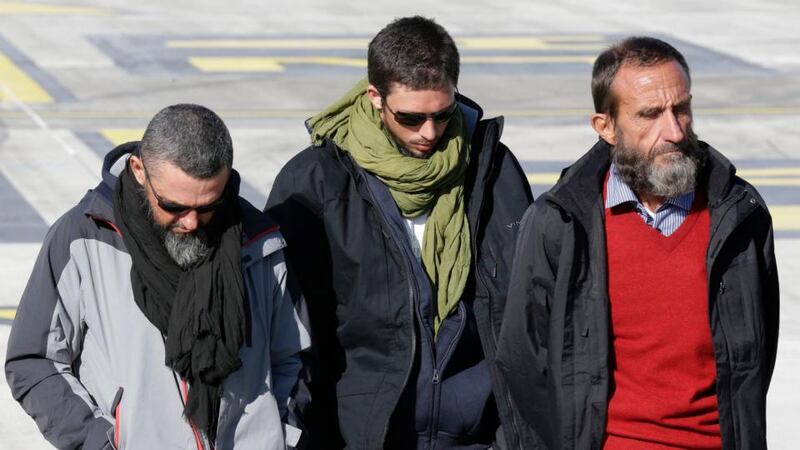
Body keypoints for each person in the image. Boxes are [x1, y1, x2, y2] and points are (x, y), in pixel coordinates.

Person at [497, 36, 779, 449]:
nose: (675, 131)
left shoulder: (740, 214)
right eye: (650, 114)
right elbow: (524, 363)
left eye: (681, 109)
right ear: (605, 127)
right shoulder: (559, 221)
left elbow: (757, 353)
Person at [266, 16, 533, 449]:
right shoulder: (315, 182)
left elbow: (525, 311)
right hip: (363, 436)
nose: (429, 133)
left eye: (443, 115)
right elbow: (287, 336)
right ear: (375, 97)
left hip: (477, 437)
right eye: (410, 118)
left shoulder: (493, 170)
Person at [6, 104, 309, 449]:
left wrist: (282, 434)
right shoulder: (82, 238)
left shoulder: (259, 242)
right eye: (174, 206)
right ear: (139, 170)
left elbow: (295, 356)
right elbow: (34, 360)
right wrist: (100, 443)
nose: (192, 222)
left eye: (208, 206)